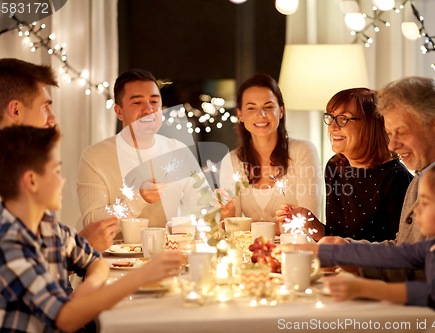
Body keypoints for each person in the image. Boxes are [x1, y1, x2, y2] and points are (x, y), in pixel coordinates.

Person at [0, 125, 184, 332]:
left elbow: (95, 260)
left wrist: (81, 294)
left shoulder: (46, 224)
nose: (62, 180)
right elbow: (65, 319)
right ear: (31, 181)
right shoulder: (3, 240)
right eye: (56, 171)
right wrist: (142, 275)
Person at [279, 159, 435, 331]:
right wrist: (320, 250)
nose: (416, 211)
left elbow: (434, 293)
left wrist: (363, 287)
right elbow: (393, 255)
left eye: (425, 202)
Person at [317, 76, 435, 282]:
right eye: (389, 133)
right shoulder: (426, 171)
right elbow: (405, 249)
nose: (392, 145)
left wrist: (358, 267)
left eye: (402, 132)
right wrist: (349, 250)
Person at [0, 58, 117, 252]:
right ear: (16, 110)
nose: (52, 118)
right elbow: (18, 267)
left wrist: (77, 245)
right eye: (44, 107)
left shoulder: (27, 161)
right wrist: (83, 246)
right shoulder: (2, 178)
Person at [276, 88, 412, 242]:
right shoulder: (335, 166)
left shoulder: (395, 178)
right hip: (339, 264)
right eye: (331, 118)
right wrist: (309, 220)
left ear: (370, 125)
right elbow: (334, 237)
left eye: (343, 119)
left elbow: (400, 249)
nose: (332, 127)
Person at [77, 69, 201, 229]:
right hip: (111, 253)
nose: (148, 109)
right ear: (119, 111)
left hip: (169, 252)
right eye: (137, 102)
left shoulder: (178, 151)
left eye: (154, 102)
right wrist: (138, 198)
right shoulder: (95, 157)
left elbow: (202, 208)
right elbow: (91, 223)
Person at [219, 73, 323, 235]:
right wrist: (227, 214)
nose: (261, 115)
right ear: (240, 115)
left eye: (268, 107)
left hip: (294, 252)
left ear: (280, 111)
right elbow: (230, 232)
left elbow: (310, 224)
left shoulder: (303, 151)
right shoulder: (232, 161)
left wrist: (251, 229)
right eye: (251, 108)